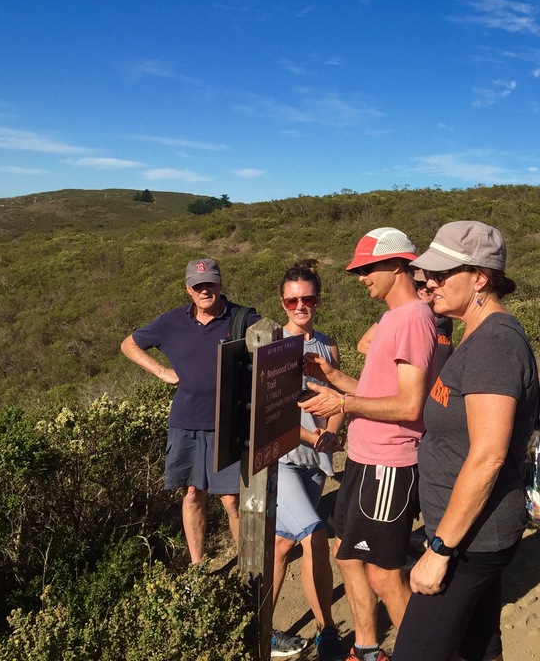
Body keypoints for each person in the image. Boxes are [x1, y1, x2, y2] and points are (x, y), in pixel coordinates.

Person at [392, 221, 539, 661]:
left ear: (479, 278)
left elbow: (489, 456)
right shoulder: (473, 333)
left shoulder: (494, 343)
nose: (426, 283)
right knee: (479, 644)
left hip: (470, 542)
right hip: (469, 532)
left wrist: (439, 550)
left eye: (439, 275)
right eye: (424, 275)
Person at [300, 228, 436, 661]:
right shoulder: (394, 319)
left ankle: (422, 653)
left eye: (366, 268)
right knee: (345, 554)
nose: (361, 278)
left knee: (384, 577)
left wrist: (342, 402)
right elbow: (379, 392)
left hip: (388, 463)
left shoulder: (413, 319)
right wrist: (333, 377)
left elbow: (410, 406)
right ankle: (367, 646)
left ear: (397, 265)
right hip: (364, 457)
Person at [120, 258, 260, 563]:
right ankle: (198, 567)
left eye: (210, 283)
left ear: (221, 284)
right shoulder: (170, 323)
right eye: (198, 286)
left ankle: (248, 567)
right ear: (188, 289)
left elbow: (273, 348)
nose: (205, 290)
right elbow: (129, 345)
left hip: (229, 423)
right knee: (193, 494)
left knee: (230, 499)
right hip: (186, 422)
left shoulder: (243, 319)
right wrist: (161, 371)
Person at [270, 261, 346, 661]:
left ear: (317, 300)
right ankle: (327, 632)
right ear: (283, 303)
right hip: (283, 460)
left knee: (282, 545)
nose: (300, 306)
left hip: (315, 463)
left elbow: (337, 398)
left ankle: (260, 626)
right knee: (315, 534)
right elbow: (274, 412)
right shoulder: (274, 346)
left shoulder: (327, 345)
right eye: (292, 299)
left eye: (308, 298)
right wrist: (316, 437)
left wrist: (331, 429)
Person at [357, 268, 454, 378]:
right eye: (420, 284)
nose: (425, 288)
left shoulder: (445, 318)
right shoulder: (397, 314)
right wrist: (399, 362)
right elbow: (363, 345)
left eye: (429, 284)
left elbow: (449, 350)